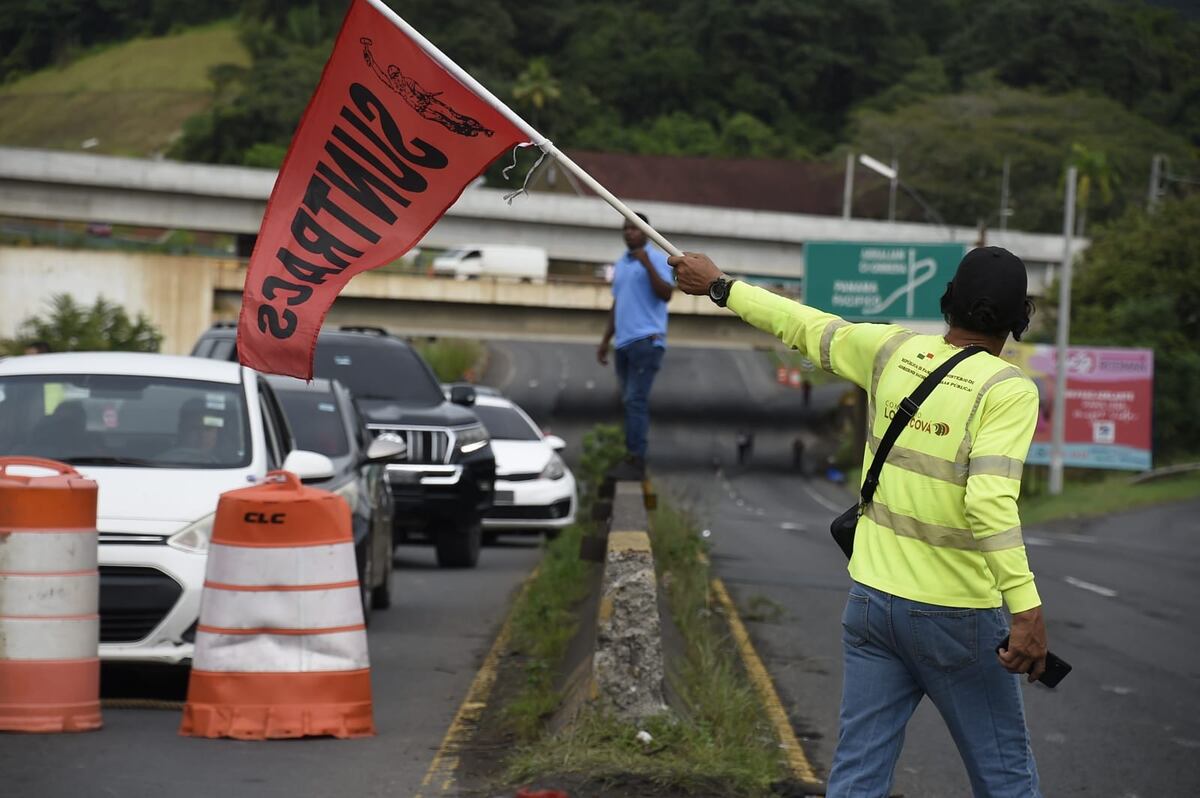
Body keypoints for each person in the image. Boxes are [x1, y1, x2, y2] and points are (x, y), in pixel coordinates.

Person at [671, 246, 1047, 797]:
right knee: (1006, 779)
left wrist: (721, 285)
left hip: (873, 606)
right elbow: (989, 502)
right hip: (960, 617)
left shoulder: (892, 350)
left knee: (857, 778)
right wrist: (1027, 609)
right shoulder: (1007, 391)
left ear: (947, 304)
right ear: (1019, 319)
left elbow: (802, 323)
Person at [598, 213, 674, 480]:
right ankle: (630, 455)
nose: (630, 233)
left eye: (635, 228)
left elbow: (666, 293)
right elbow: (618, 303)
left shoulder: (655, 259)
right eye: (626, 228)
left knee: (635, 399)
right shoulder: (621, 263)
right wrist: (606, 340)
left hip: (647, 340)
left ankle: (636, 459)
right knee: (627, 402)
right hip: (624, 343)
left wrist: (647, 265)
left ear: (646, 232)